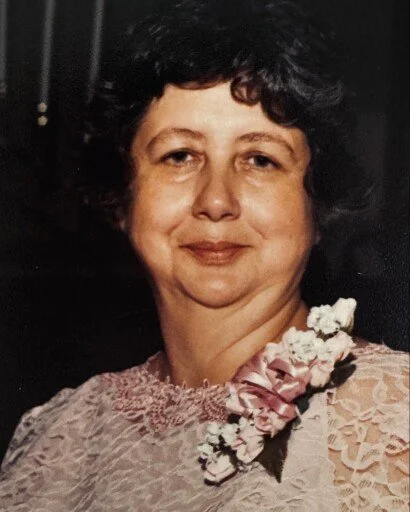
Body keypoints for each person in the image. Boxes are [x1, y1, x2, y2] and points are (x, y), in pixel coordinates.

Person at [1, 0, 408, 510]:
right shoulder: (57, 439)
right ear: (123, 196)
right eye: (180, 156)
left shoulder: (394, 417)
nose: (216, 200)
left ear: (318, 203)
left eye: (260, 159)